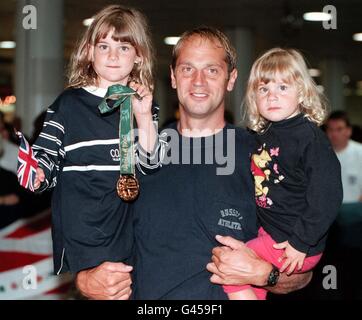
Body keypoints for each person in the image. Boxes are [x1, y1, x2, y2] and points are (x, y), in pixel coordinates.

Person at [75, 27, 313, 300]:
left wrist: (264, 274)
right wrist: (86, 279)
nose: (198, 82)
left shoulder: (264, 155)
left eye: (212, 70)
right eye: (188, 69)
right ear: (174, 77)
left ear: (231, 79)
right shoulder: (133, 153)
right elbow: (93, 238)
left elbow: (302, 271)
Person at [31, 5, 162, 277]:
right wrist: (38, 172)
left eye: (124, 48)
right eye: (104, 46)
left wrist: (144, 117)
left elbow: (151, 167)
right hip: (86, 228)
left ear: (139, 56)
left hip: (132, 229)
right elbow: (45, 156)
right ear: (90, 52)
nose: (113, 56)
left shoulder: (144, 105)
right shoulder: (68, 104)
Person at [219, 48, 343, 300]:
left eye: (282, 88)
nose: (272, 96)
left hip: (293, 242)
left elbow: (327, 197)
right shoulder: (265, 135)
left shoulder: (310, 139)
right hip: (272, 233)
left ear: (303, 93)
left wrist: (301, 242)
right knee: (251, 284)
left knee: (230, 267)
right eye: (263, 89)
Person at [326, 111, 362, 203]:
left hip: (355, 208)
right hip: (328, 210)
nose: (334, 134)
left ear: (349, 131)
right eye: (330, 129)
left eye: (339, 129)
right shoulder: (320, 153)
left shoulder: (360, 152)